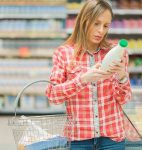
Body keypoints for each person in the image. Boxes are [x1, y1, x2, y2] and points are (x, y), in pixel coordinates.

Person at [46, 0, 132, 149]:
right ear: (84, 21)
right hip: (78, 139)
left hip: (112, 138)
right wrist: (83, 79)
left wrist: (122, 76)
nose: (101, 31)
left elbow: (123, 99)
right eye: (96, 23)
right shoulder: (64, 53)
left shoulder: (116, 53)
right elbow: (53, 96)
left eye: (106, 26)